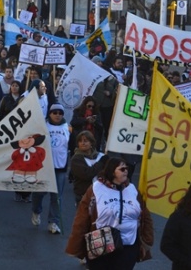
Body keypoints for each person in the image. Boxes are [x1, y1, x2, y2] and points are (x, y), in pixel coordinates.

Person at [65, 157, 154, 269]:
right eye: (122, 169)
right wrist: (76, 245)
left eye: (126, 168)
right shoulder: (96, 189)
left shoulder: (132, 190)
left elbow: (145, 216)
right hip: (102, 244)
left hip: (128, 246)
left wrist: (147, 240)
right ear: (112, 171)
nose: (126, 171)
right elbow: (82, 218)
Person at [31, 104, 70, 234]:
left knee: (57, 197)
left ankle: (53, 222)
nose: (58, 115)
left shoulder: (67, 128)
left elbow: (72, 145)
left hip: (60, 167)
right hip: (44, 167)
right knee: (39, 193)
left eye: (60, 113)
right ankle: (36, 211)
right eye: (55, 112)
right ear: (50, 114)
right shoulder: (44, 126)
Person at [69, 131, 108, 205]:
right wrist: (101, 163)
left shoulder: (101, 156)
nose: (83, 143)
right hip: (83, 196)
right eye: (80, 141)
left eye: (85, 141)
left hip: (101, 195)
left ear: (91, 143)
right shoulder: (76, 159)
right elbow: (87, 174)